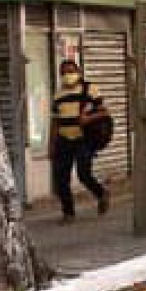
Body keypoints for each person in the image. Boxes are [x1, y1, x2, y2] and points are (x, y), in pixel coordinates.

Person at [49, 59, 110, 223]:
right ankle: (68, 213)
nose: (67, 75)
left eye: (71, 71)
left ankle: (101, 193)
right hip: (64, 139)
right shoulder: (58, 95)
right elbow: (55, 121)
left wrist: (88, 118)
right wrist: (51, 144)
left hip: (84, 139)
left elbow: (104, 113)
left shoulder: (90, 89)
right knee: (61, 178)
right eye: (64, 72)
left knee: (84, 174)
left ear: (78, 72)